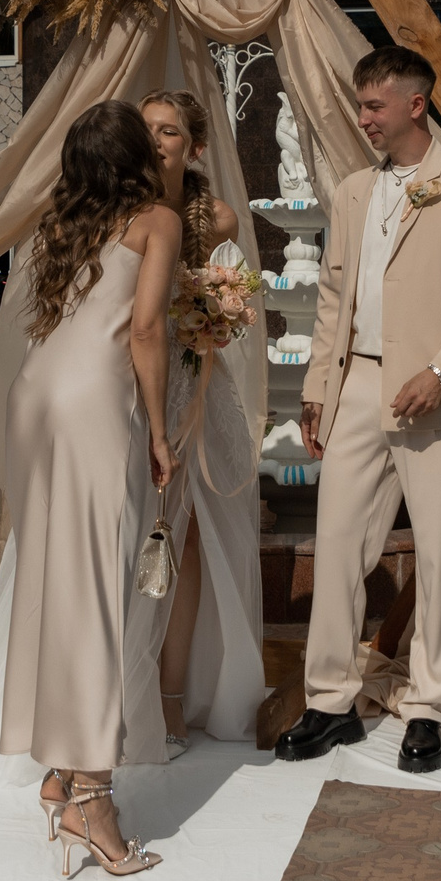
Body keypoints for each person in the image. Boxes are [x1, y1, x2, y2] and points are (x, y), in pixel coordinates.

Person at [274, 45, 441, 775]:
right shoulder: (353, 192)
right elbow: (332, 298)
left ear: (416, 104)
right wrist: (317, 389)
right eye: (360, 106)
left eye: (375, 106)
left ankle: (427, 706)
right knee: (339, 544)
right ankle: (329, 702)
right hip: (356, 388)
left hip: (435, 397)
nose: (364, 119)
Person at [0, 99, 179, 877]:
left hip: (36, 396)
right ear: (138, 154)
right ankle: (93, 799)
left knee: (53, 581)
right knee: (97, 587)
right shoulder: (156, 220)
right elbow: (145, 330)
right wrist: (161, 432)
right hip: (93, 404)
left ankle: (60, 770)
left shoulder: (60, 220)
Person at [128, 91, 266, 761]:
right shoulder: (116, 211)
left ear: (195, 145)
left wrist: (211, 318)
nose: (157, 141)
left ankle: (172, 697)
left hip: (194, 390)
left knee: (179, 546)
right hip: (126, 391)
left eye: (170, 131)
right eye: (146, 129)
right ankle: (113, 695)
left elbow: (225, 311)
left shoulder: (216, 218)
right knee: (121, 543)